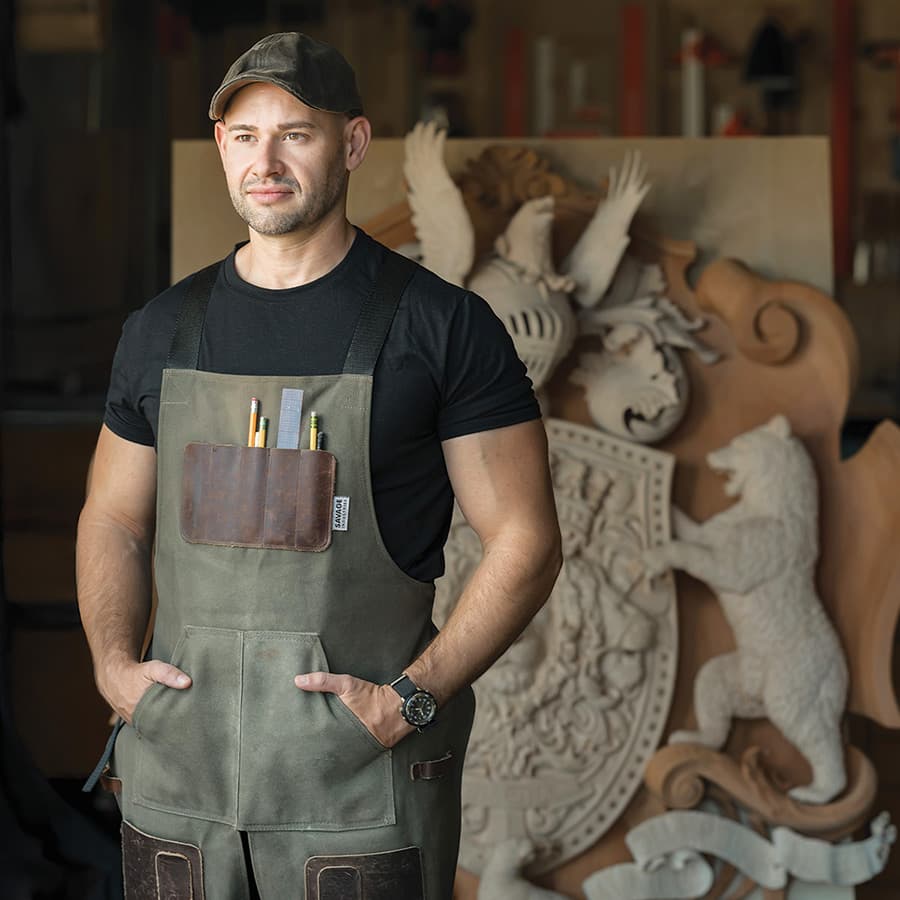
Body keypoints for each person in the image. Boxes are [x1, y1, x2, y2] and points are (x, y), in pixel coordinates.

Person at [76, 31, 562, 900]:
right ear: (223, 147)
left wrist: (411, 699)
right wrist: (114, 669)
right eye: (244, 135)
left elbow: (526, 539)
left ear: (353, 145)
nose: (266, 159)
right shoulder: (159, 330)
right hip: (180, 788)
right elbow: (112, 517)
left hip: (357, 791)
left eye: (295, 132)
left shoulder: (441, 328)